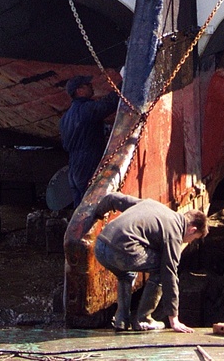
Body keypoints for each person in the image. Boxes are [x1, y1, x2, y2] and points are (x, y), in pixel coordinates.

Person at [93, 192, 209, 333]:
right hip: (121, 252)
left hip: (100, 246)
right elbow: (169, 274)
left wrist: (97, 214)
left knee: (126, 274)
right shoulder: (174, 234)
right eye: (194, 238)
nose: (189, 242)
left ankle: (121, 320)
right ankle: (143, 319)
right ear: (192, 230)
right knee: (162, 268)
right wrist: (174, 319)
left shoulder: (151, 204)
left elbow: (114, 198)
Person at [60, 74, 120, 209]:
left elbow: (65, 144)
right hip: (88, 162)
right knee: (92, 204)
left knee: (79, 208)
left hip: (73, 167)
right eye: (88, 85)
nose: (92, 87)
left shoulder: (64, 118)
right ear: (79, 91)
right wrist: (125, 83)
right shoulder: (86, 109)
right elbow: (109, 104)